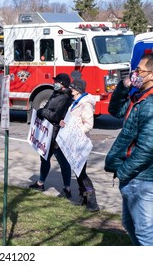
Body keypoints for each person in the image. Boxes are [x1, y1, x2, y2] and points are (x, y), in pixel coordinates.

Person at [105, 54, 153, 245]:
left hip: (141, 179)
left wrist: (124, 172)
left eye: (139, 71)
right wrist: (123, 86)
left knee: (145, 233)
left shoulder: (150, 104)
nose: (135, 73)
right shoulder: (138, 97)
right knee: (130, 224)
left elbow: (148, 148)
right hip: (135, 178)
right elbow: (115, 110)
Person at [29, 73, 73, 198]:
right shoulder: (56, 94)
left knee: (63, 162)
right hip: (48, 133)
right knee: (44, 158)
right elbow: (50, 109)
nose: (54, 84)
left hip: (57, 135)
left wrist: (43, 111)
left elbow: (57, 116)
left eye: (57, 82)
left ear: (63, 84)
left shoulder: (66, 98)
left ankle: (67, 189)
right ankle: (40, 183)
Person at [60, 78, 99, 212]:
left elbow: (88, 124)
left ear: (77, 90)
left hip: (81, 143)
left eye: (72, 88)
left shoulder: (85, 103)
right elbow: (72, 119)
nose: (70, 90)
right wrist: (64, 124)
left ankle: (92, 201)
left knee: (82, 173)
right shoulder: (76, 102)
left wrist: (75, 133)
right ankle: (83, 197)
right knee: (77, 171)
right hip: (74, 142)